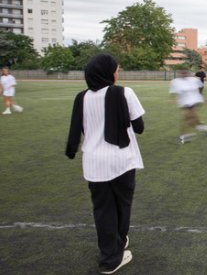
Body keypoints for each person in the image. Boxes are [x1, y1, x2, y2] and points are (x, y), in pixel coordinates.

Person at [65, 53, 145, 274]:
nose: (118, 74)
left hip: (93, 163)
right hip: (121, 160)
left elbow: (76, 131)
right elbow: (139, 126)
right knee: (122, 205)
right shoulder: (124, 93)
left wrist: (71, 149)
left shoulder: (81, 97)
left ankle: (113, 247)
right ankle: (112, 258)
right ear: (109, 73)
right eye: (116, 70)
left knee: (103, 210)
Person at [170, 69, 207, 144]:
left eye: (185, 73)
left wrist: (205, 97)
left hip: (195, 101)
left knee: (187, 118)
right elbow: (173, 92)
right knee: (192, 120)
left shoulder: (194, 80)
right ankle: (203, 128)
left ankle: (183, 136)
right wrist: (172, 99)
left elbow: (202, 87)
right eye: (182, 73)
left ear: (188, 73)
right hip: (184, 103)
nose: (183, 74)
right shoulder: (176, 82)